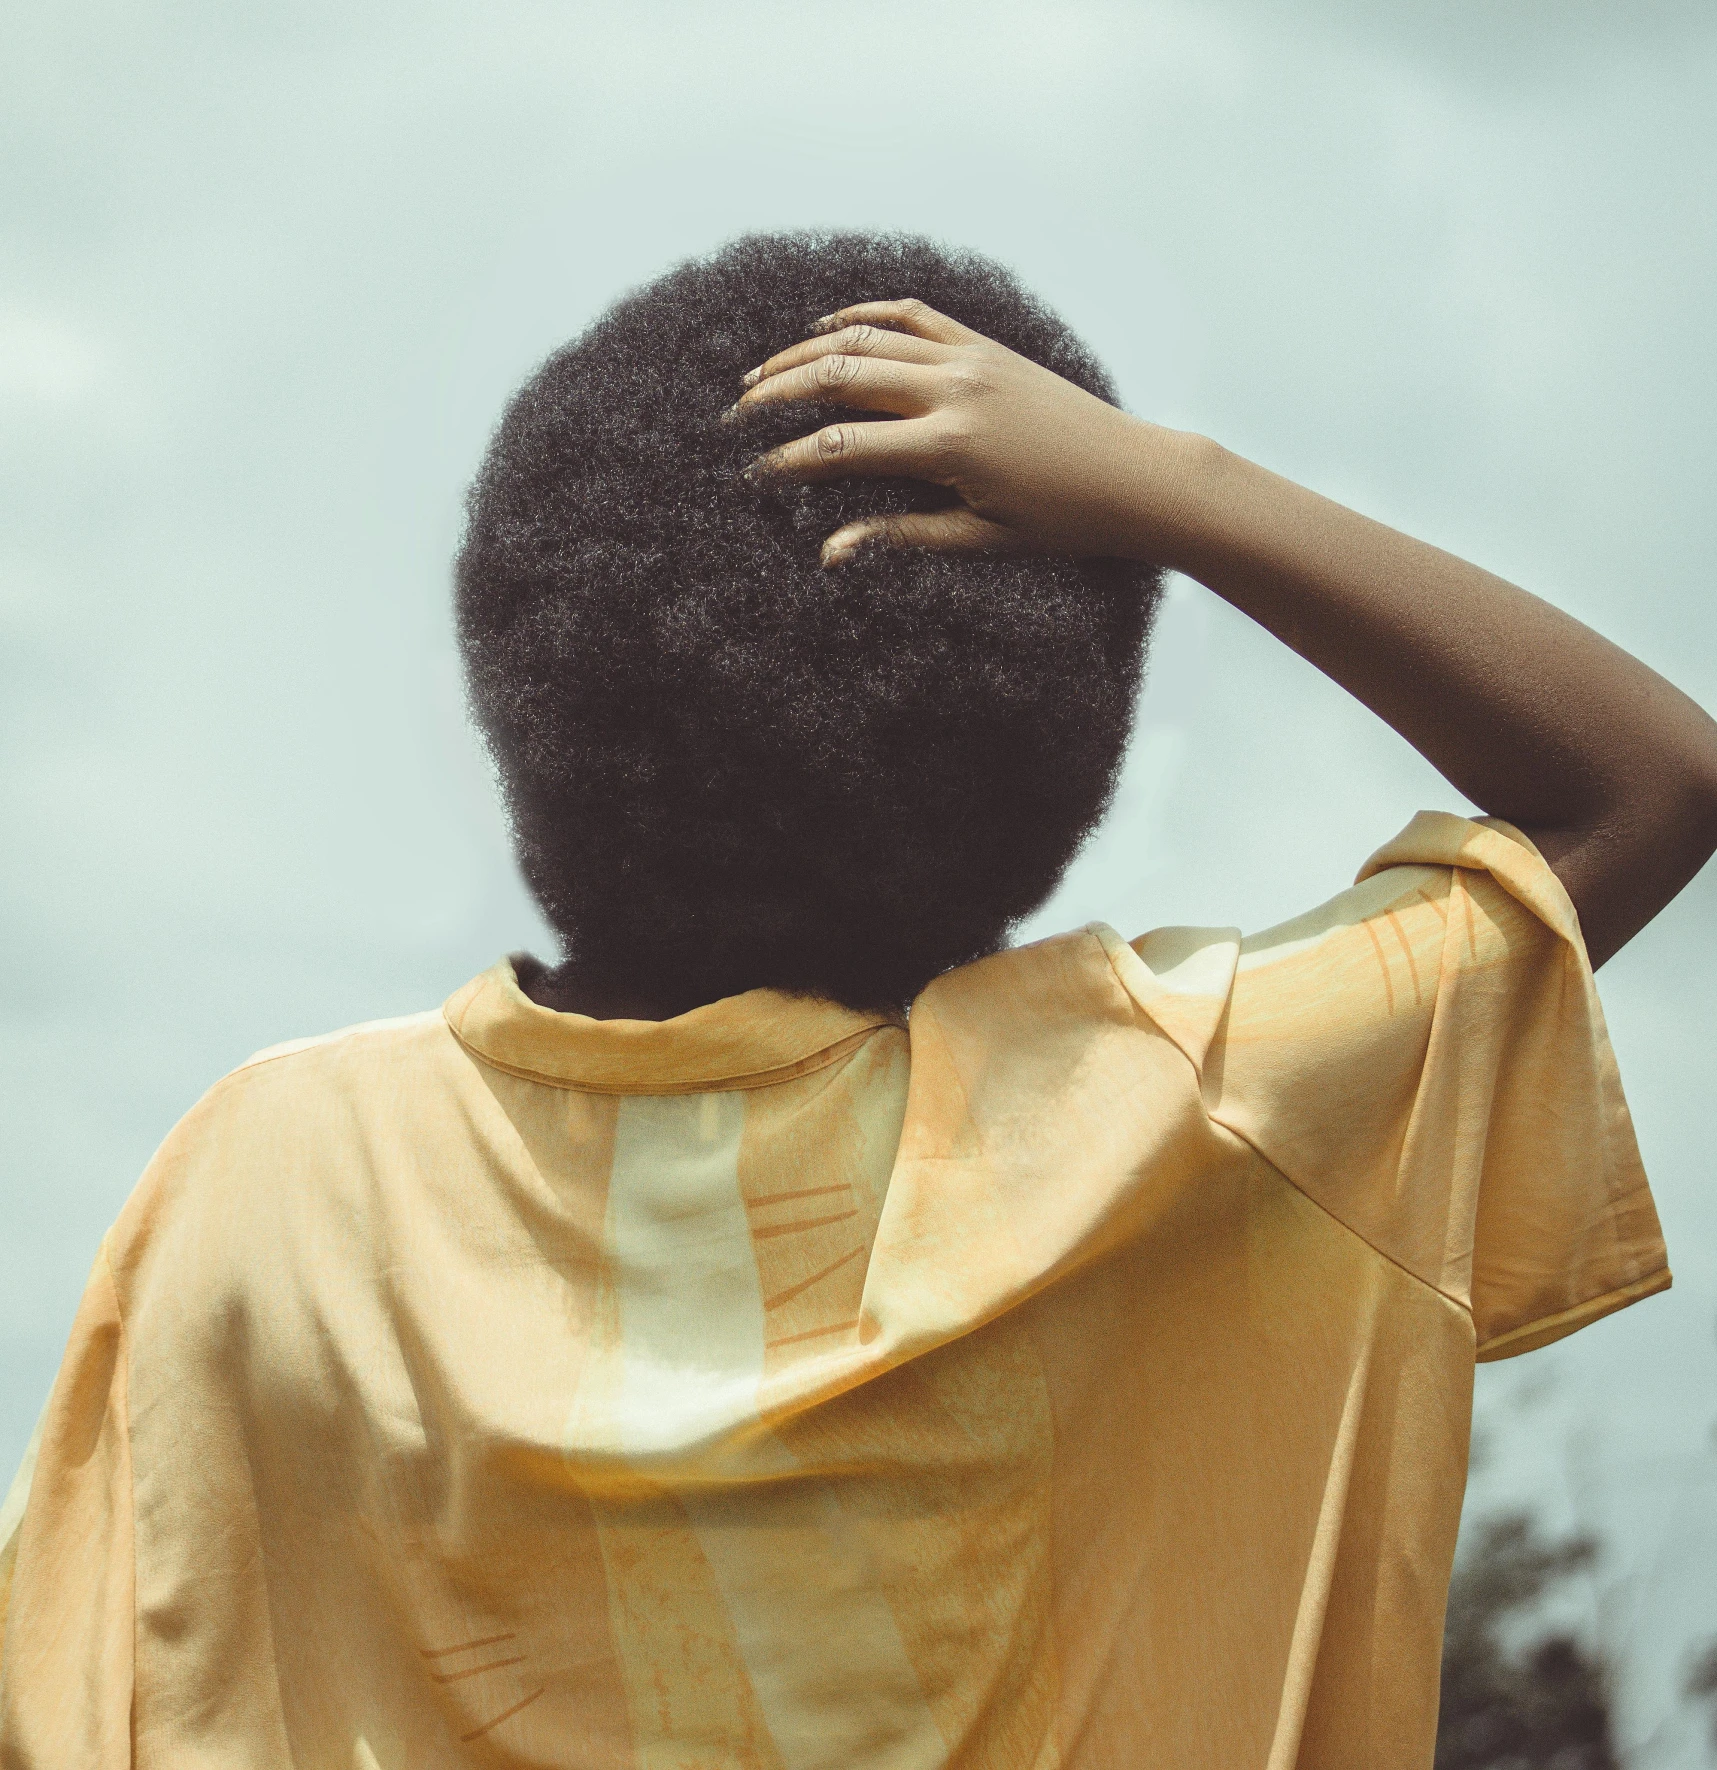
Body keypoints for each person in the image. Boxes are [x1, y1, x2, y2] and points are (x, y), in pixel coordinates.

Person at [2, 231, 1713, 1769]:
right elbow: (1650, 783)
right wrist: (1163, 486)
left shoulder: (278, 1176)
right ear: (1062, 743)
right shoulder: (1195, 1116)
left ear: (527, 677)